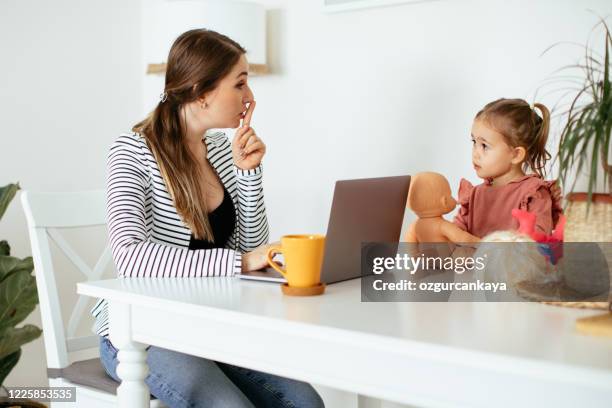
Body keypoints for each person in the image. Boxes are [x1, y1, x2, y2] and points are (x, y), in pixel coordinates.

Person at [90, 28, 324, 408]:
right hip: (141, 331)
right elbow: (130, 257)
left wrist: (248, 173)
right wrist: (242, 261)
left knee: (303, 401)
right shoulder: (131, 151)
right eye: (240, 84)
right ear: (201, 91)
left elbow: (251, 249)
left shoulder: (217, 149)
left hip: (208, 324)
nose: (249, 98)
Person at [453, 98, 563, 238]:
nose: (475, 153)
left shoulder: (533, 194)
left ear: (516, 155)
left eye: (484, 146)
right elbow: (455, 235)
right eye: (474, 142)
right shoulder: (475, 195)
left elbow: (536, 244)